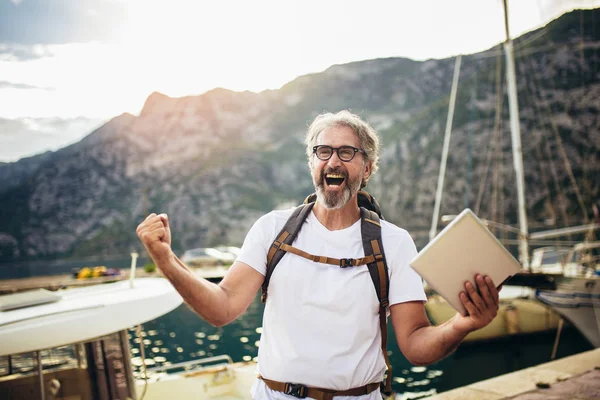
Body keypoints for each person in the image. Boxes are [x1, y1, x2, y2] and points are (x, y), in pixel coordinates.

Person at [136, 110, 501, 400]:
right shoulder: (272, 229)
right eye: (323, 152)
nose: (333, 161)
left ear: (367, 168)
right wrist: (166, 260)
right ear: (312, 164)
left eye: (347, 152)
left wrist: (463, 324)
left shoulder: (394, 242)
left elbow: (416, 346)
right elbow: (222, 308)